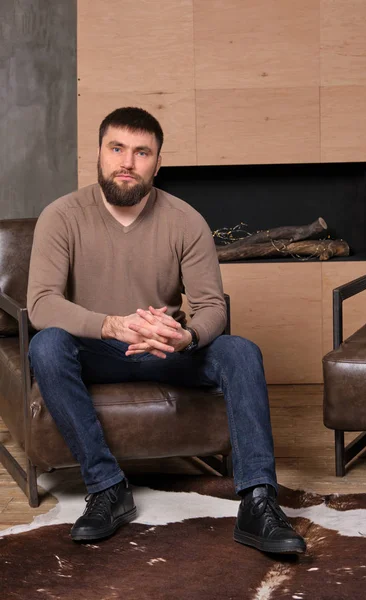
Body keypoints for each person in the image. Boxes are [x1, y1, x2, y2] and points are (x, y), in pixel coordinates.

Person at [27, 106, 306, 555]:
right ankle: (106, 487)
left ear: (158, 163)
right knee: (47, 345)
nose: (127, 162)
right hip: (97, 349)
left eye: (142, 152)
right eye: (116, 148)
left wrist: (188, 336)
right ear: (98, 154)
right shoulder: (61, 216)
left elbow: (213, 306)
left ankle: (258, 501)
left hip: (166, 349)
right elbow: (41, 304)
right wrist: (110, 325)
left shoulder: (185, 220)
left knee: (240, 351)